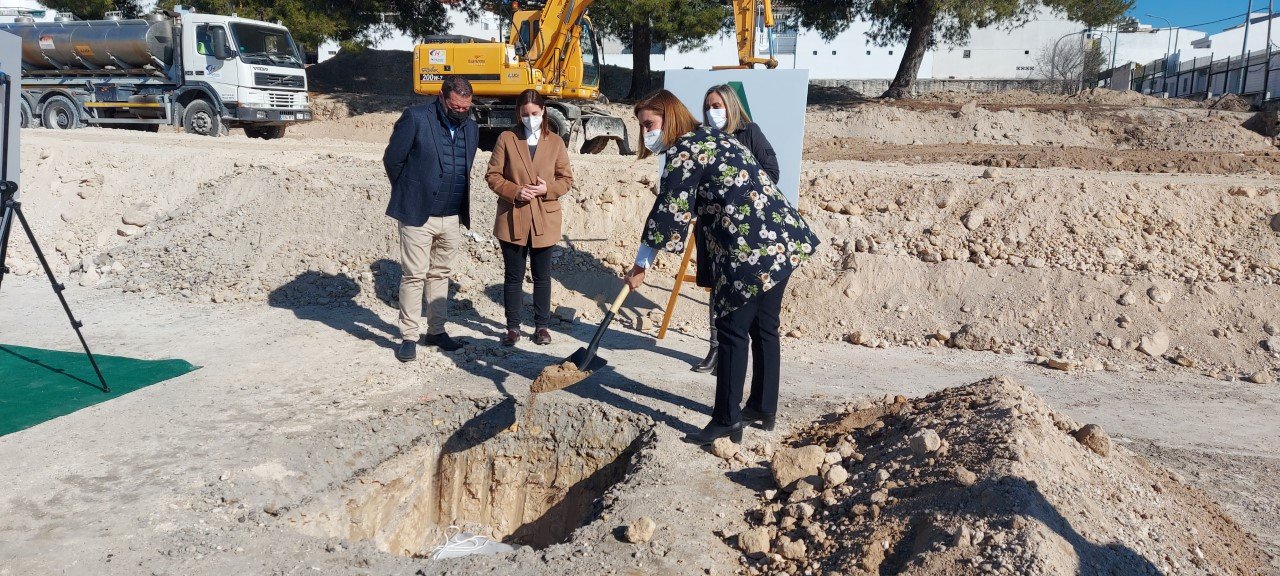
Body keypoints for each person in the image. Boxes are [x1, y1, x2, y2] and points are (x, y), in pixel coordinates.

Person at [624, 90, 819, 446]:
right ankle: (762, 407)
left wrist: (641, 265)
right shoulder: (712, 137)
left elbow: (668, 211)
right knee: (764, 327)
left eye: (649, 124)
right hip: (783, 239)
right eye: (642, 127)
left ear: (668, 117)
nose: (645, 133)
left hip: (749, 249)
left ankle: (727, 418)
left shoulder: (685, 150)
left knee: (730, 330)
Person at [382, 76, 480, 362]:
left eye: (466, 107)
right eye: (455, 106)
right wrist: (411, 191)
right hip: (417, 214)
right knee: (414, 275)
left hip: (452, 216)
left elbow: (466, 165)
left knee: (441, 274)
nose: (461, 112)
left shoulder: (471, 128)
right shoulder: (415, 118)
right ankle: (409, 336)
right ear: (441, 97)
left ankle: (436, 331)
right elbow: (393, 160)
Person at [692, 84, 782, 374]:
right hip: (713, 229)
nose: (711, 112)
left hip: (747, 231)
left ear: (730, 106)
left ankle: (733, 352)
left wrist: (736, 191)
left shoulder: (749, 133)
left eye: (716, 106)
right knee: (716, 287)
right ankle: (716, 347)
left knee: (743, 296)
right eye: (707, 106)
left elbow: (772, 172)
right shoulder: (703, 139)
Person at [484, 89, 574, 346]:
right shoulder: (506, 138)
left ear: (544, 112)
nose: (530, 118)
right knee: (513, 276)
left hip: (545, 217)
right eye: (525, 114)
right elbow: (493, 175)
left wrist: (548, 189)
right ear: (518, 114)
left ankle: (541, 327)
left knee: (542, 276)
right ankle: (512, 328)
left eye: (535, 113)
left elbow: (566, 179)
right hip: (513, 215)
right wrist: (515, 190)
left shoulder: (556, 142)